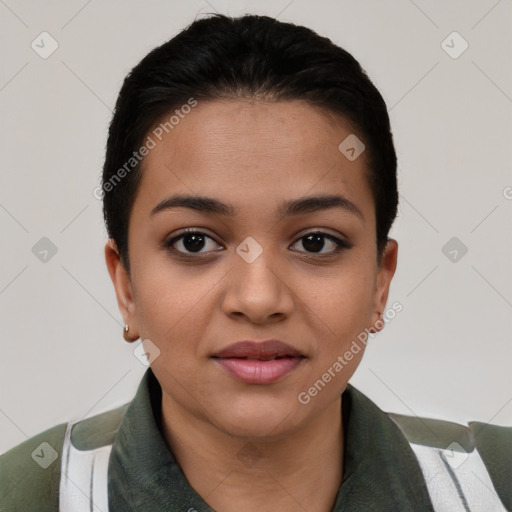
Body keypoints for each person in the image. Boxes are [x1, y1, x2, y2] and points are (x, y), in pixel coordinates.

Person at [0, 13, 510, 512]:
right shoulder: (23, 496)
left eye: (315, 242)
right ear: (126, 284)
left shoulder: (494, 487)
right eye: (195, 242)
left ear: (381, 279)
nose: (259, 299)